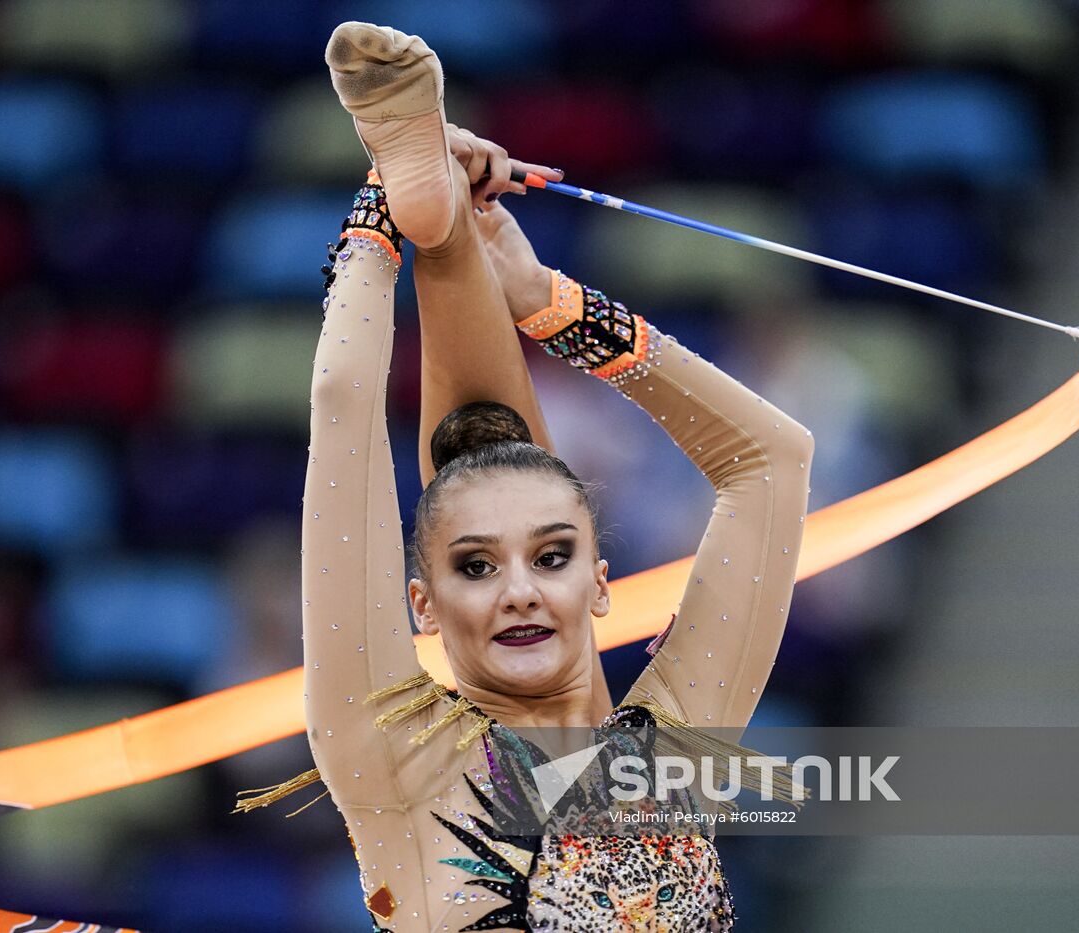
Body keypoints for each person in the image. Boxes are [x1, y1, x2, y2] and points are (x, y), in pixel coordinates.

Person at [241, 22, 815, 931]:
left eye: (552, 556)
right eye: (474, 566)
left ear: (600, 580)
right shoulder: (394, 762)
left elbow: (773, 458)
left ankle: (444, 227)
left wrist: (553, 303)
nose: (518, 592)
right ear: (421, 605)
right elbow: (342, 400)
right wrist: (380, 214)